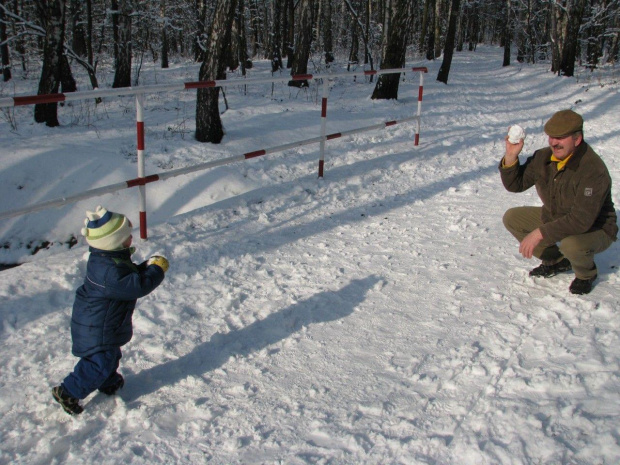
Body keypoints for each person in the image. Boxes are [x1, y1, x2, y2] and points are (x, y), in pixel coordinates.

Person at [52, 206, 169, 415]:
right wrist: (156, 270)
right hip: (97, 327)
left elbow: (129, 276)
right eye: (126, 237)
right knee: (99, 361)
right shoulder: (110, 271)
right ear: (112, 242)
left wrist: (145, 266)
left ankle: (107, 381)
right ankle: (68, 391)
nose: (130, 240)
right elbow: (137, 286)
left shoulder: (108, 260)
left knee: (108, 356)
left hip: (99, 322)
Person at [500, 109, 617, 295]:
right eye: (551, 137)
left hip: (596, 228)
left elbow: (581, 220)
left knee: (572, 244)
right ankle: (557, 261)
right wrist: (511, 156)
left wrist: (540, 232)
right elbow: (516, 184)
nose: (554, 142)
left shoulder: (593, 170)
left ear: (577, 139)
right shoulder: (543, 158)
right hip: (556, 217)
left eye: (560, 138)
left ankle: (586, 274)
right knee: (513, 218)